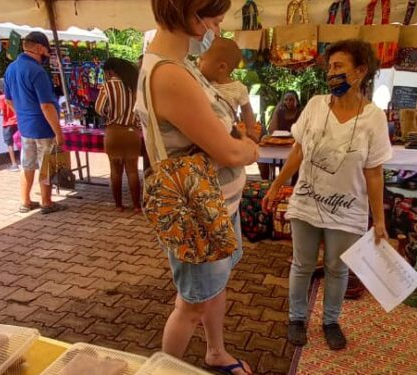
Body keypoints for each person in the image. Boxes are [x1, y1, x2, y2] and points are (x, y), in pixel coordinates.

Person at [136, 1, 259, 373]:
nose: (217, 29)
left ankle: (215, 352)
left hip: (216, 208)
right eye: (215, 19)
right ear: (190, 14)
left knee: (210, 292)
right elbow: (227, 150)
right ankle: (164, 368)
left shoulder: (177, 65)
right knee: (191, 304)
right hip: (201, 214)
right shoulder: (169, 74)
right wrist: (249, 147)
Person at [262, 39, 392, 351]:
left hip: (347, 209)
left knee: (337, 267)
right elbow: (299, 150)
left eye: (338, 67)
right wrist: (276, 185)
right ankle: (296, 318)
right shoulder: (316, 106)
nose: (331, 74)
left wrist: (380, 221)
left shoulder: (374, 118)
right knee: (302, 264)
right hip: (307, 201)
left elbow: (374, 172)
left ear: (360, 71)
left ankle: (331, 321)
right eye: (329, 68)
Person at [4, 31, 65, 214]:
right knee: (46, 164)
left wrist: (22, 114)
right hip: (43, 127)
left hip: (25, 127)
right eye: (46, 50)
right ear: (39, 47)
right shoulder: (37, 71)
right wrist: (58, 132)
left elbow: (8, 100)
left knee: (27, 164)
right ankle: (46, 202)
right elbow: (46, 105)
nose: (47, 55)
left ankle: (25, 201)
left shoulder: (11, 68)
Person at [95, 58, 142, 212]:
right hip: (132, 132)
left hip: (113, 132)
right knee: (133, 171)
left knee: (115, 171)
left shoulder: (107, 86)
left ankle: (119, 205)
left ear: (110, 71)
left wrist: (110, 113)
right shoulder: (134, 86)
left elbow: (99, 108)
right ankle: (136, 206)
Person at [198, 38, 259, 141]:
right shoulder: (201, 83)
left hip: (227, 133)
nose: (197, 62)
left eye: (202, 59)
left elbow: (247, 110)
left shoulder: (238, 88)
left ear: (221, 67)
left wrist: (250, 129)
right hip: (205, 131)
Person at [0, 78, 19, 172]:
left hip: (7, 123)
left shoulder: (1, 98)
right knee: (22, 141)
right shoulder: (15, 95)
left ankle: (14, 164)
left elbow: (2, 112)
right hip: (17, 121)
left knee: (10, 144)